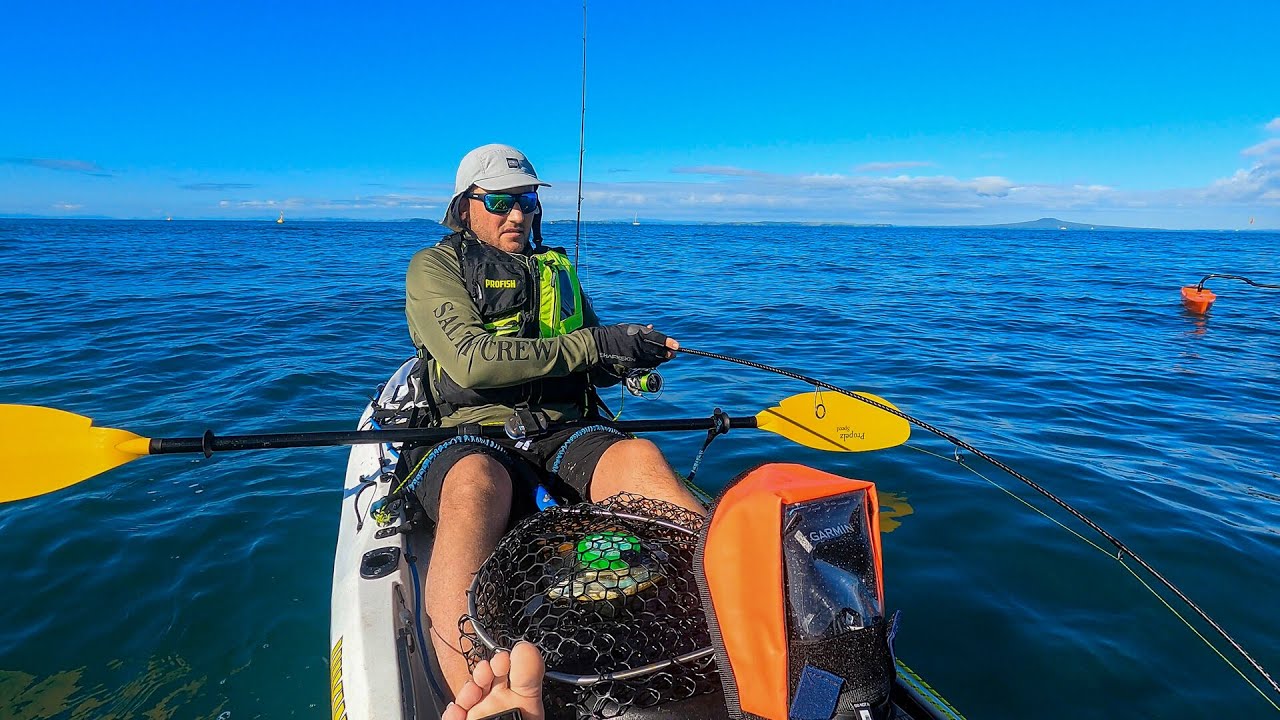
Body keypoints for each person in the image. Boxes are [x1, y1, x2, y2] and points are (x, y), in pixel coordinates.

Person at [403, 143, 706, 697]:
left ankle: (735, 608)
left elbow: (589, 354)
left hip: (563, 431)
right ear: (465, 206)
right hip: (472, 433)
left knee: (638, 455)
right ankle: (483, 694)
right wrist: (593, 345)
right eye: (500, 201)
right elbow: (470, 360)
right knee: (474, 483)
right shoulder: (434, 266)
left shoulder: (555, 271)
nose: (517, 214)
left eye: (526, 201)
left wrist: (626, 354)